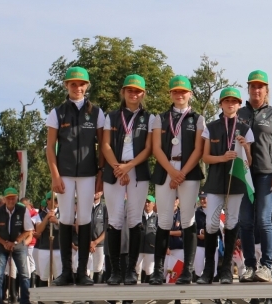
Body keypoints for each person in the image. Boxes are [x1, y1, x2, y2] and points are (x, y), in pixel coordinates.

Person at [46, 66, 105, 287]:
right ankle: (66, 272)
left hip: (89, 173)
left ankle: (82, 272)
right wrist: (55, 175)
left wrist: (100, 173)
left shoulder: (97, 112)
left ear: (87, 86)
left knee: (85, 219)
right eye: (73, 84)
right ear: (66, 85)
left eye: (81, 84)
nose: (77, 88)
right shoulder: (57, 112)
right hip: (65, 174)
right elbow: (50, 148)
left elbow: (102, 146)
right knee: (66, 218)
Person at [150, 75, 205, 285]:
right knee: (164, 220)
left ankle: (187, 271)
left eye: (183, 91)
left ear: (190, 94)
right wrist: (173, 173)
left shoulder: (197, 118)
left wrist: (181, 173)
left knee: (188, 219)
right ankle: (157, 271)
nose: (179, 95)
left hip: (188, 170)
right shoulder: (160, 118)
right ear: (170, 94)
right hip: (166, 169)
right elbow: (156, 148)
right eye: (175, 91)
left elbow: (199, 149)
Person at [100, 74, 153, 286]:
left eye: (138, 90)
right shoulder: (111, 116)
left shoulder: (149, 117)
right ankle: (114, 271)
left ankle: (131, 270)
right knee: (114, 220)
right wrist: (118, 168)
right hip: (114, 169)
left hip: (137, 170)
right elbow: (105, 145)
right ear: (123, 92)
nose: (134, 93)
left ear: (143, 94)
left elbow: (149, 148)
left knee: (134, 220)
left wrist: (128, 167)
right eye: (130, 90)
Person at [200, 86, 255, 285]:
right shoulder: (211, 127)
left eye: (234, 101)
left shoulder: (245, 128)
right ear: (221, 104)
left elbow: (250, 161)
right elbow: (205, 157)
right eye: (226, 101)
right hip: (215, 181)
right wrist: (222, 157)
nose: (230, 104)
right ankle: (208, 269)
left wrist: (246, 147)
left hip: (237, 182)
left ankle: (225, 270)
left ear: (239, 105)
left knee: (232, 222)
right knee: (211, 224)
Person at [236, 70, 272, 283]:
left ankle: (266, 266)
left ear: (266, 90)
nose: (256, 90)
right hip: (244, 173)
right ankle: (249, 266)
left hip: (266, 173)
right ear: (248, 89)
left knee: (264, 220)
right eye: (253, 86)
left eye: (260, 87)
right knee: (246, 221)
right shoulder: (239, 113)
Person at [0, 188, 35, 304]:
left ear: (17, 198)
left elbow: (28, 229)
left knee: (24, 274)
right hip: (1, 247)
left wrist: (16, 241)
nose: (11, 200)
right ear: (5, 199)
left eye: (13, 198)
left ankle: (25, 302)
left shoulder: (23, 210)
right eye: (9, 198)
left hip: (19, 246)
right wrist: (4, 243)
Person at [33, 193, 61, 294]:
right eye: (55, 200)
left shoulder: (63, 213)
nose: (57, 202)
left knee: (58, 275)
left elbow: (68, 229)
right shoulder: (40, 215)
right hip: (44, 248)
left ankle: (57, 299)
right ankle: (43, 302)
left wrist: (57, 221)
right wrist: (46, 218)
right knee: (43, 275)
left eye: (58, 200)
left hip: (58, 247)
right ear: (48, 201)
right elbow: (38, 230)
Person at [137, 196, 157, 282]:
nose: (147, 204)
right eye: (145, 202)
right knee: (136, 268)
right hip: (138, 248)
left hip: (151, 249)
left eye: (149, 202)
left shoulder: (157, 218)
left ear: (153, 204)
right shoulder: (138, 217)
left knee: (149, 270)